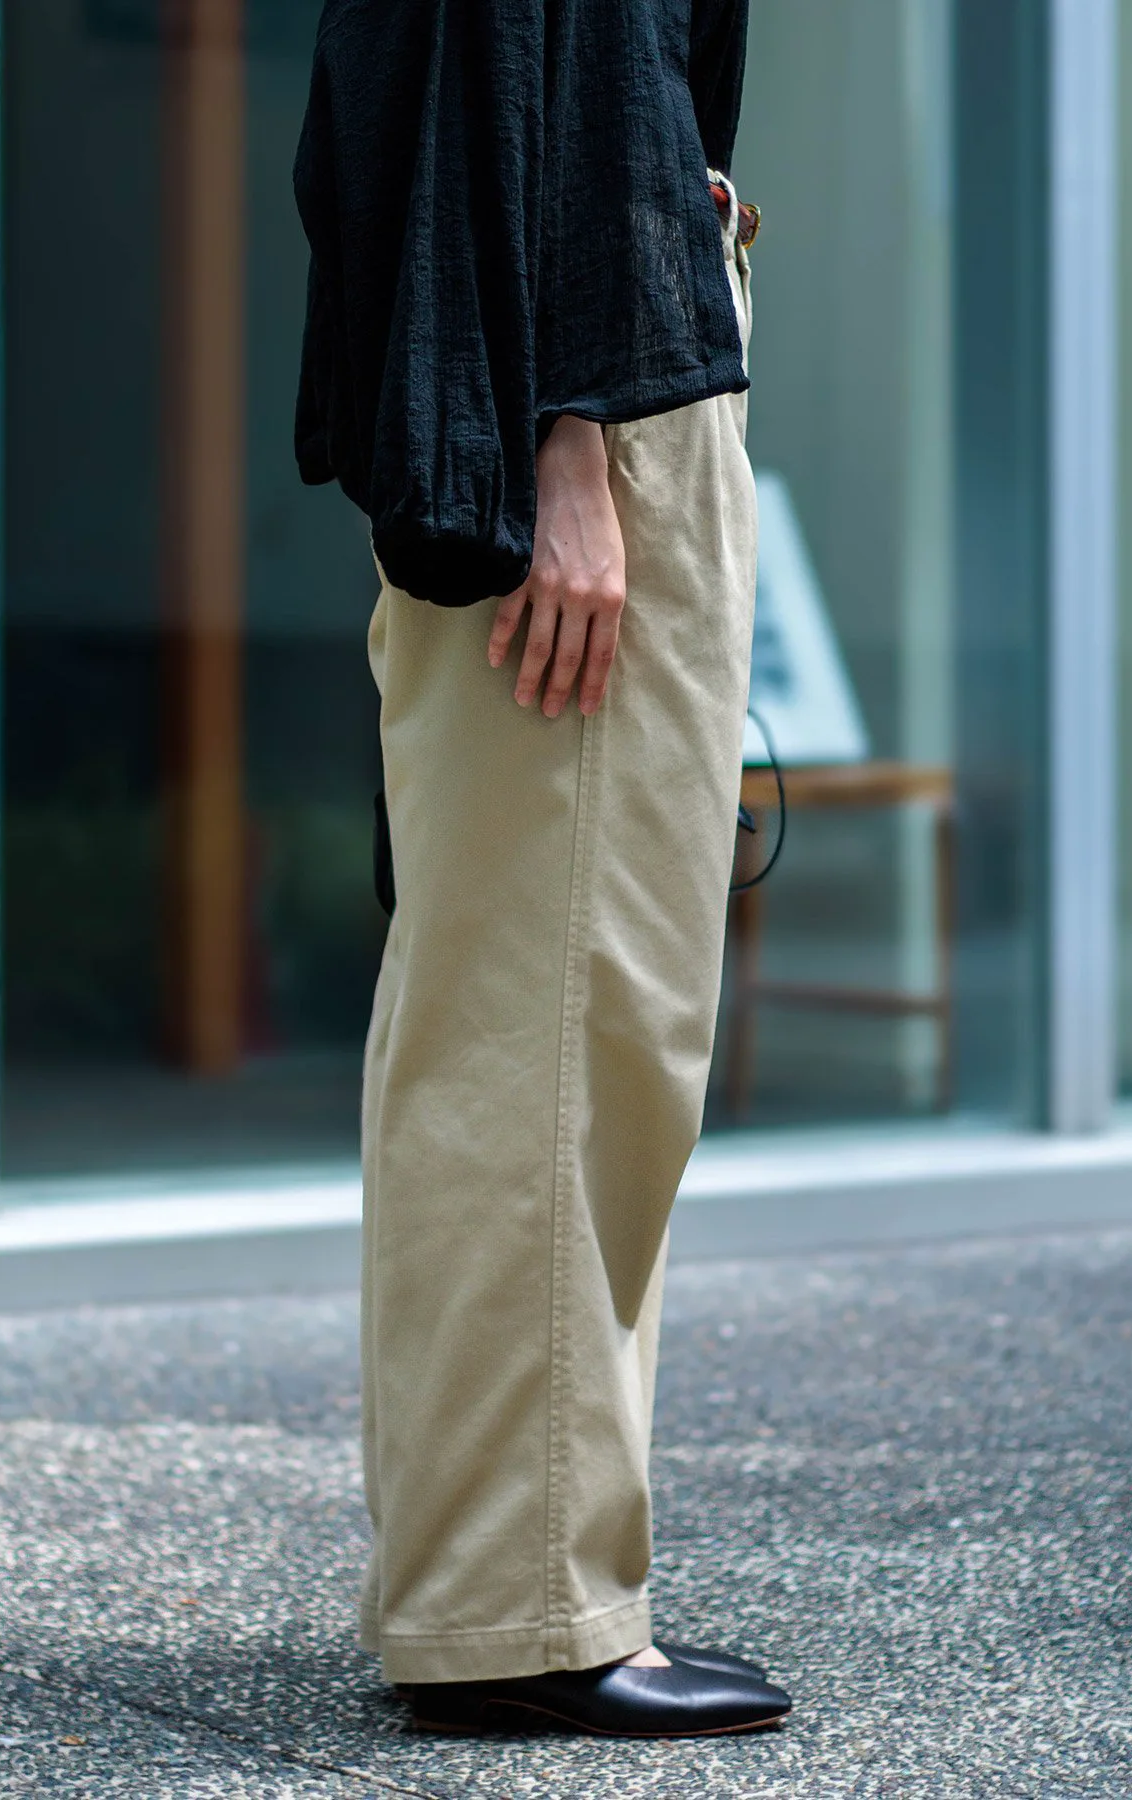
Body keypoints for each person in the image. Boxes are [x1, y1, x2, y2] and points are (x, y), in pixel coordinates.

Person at [292, 0, 790, 1738]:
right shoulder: (574, 436)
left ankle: (492, 1587)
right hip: (596, 425)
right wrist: (558, 437)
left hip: (613, 377)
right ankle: (519, 1619)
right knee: (559, 1029)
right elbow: (507, 48)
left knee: (534, 1019)